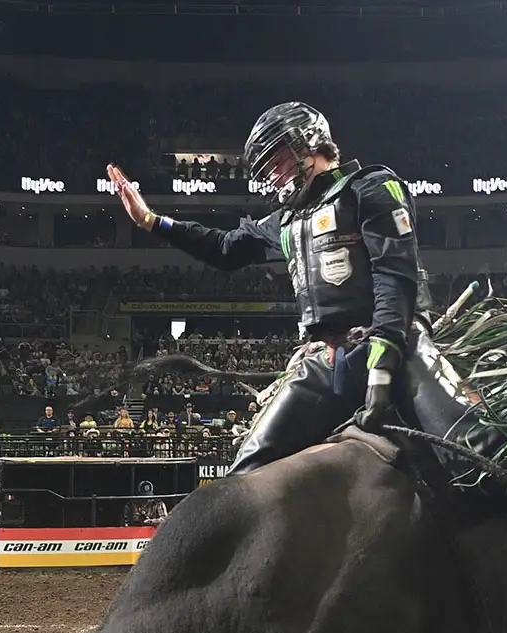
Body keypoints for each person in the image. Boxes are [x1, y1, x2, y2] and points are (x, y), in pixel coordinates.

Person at [106, 101, 419, 475]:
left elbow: (394, 276)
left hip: (395, 345)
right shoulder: (286, 221)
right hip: (325, 360)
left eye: (278, 160)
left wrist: (383, 360)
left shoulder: (370, 188)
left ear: (311, 145)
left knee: (470, 440)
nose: (272, 173)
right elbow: (224, 247)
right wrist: (152, 221)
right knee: (243, 476)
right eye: (267, 167)